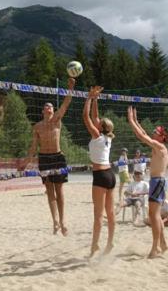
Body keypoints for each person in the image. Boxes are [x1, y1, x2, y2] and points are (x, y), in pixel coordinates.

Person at [19, 77, 76, 236]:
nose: (49, 107)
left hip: (57, 157)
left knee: (60, 191)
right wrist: (26, 162)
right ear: (43, 111)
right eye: (47, 106)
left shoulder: (57, 120)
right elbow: (33, 147)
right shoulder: (37, 126)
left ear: (53, 110)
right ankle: (55, 222)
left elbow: (66, 104)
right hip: (44, 158)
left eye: (51, 106)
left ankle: (63, 221)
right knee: (49, 191)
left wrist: (70, 88)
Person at [127, 106, 168, 258]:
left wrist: (131, 121)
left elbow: (142, 136)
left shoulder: (160, 146)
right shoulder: (157, 146)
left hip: (158, 182)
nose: (152, 133)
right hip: (157, 182)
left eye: (155, 132)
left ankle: (155, 247)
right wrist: (137, 121)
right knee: (155, 215)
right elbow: (144, 134)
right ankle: (163, 244)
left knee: (153, 215)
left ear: (161, 136)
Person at [82, 85, 116, 257]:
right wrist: (96, 98)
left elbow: (86, 117)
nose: (97, 119)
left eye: (99, 121)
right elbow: (95, 116)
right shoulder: (106, 136)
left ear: (100, 126)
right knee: (110, 213)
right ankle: (110, 243)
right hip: (111, 175)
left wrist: (88, 97)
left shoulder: (96, 135)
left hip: (100, 176)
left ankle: (95, 245)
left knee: (98, 215)